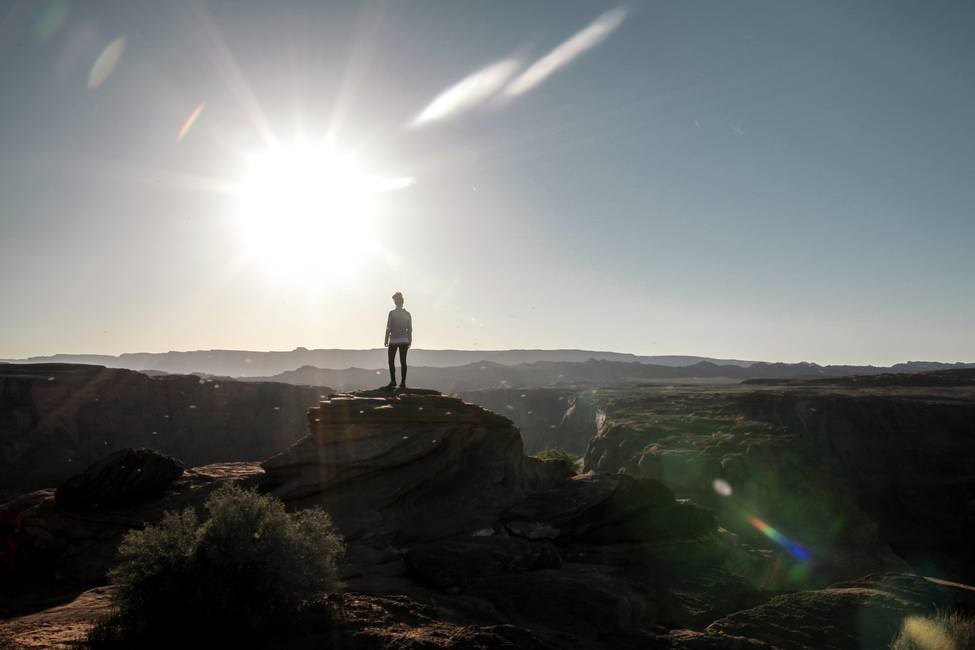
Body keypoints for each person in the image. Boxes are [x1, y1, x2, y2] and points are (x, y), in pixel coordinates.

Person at [384, 291, 412, 388]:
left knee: (391, 361)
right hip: (404, 340)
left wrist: (386, 339)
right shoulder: (407, 314)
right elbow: (410, 329)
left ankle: (393, 381)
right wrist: (410, 340)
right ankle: (403, 383)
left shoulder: (392, 313)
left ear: (395, 302)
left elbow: (389, 327)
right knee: (403, 361)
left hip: (393, 340)